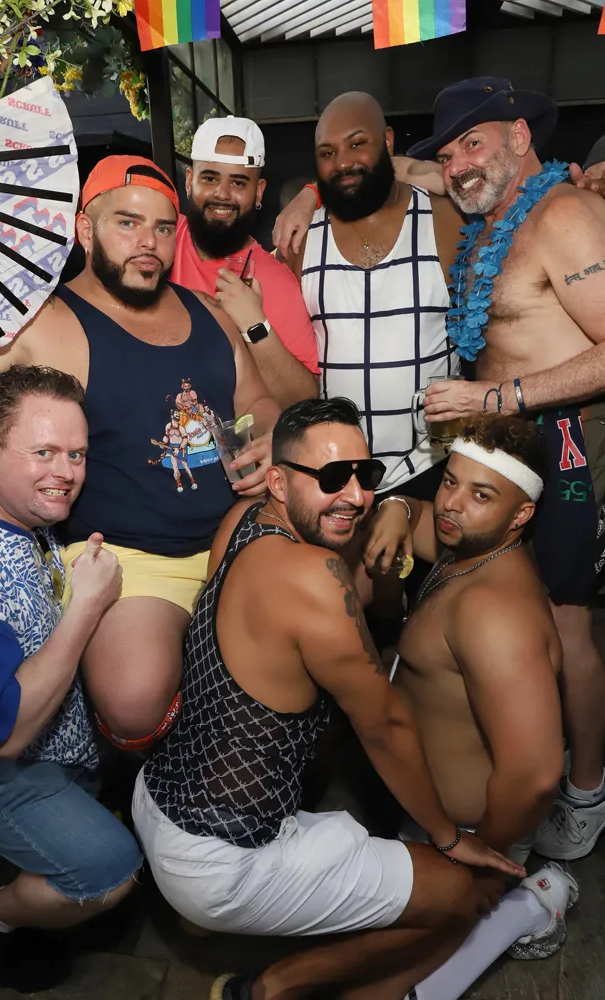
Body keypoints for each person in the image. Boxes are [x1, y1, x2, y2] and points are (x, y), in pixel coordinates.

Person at [132, 396, 580, 1000]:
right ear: (278, 482)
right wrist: (450, 840)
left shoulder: (242, 520)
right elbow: (384, 725)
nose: (355, 496)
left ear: (520, 513)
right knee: (462, 896)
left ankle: (218, 930)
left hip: (158, 798)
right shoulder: (316, 575)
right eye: (331, 478)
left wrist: (395, 508)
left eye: (366, 476)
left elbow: (534, 772)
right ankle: (266, 984)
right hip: (220, 856)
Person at [0, 157, 280, 752]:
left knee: (335, 603)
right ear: (85, 231)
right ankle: (144, 773)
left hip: (236, 530)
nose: (148, 243)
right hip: (130, 556)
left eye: (163, 227)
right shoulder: (48, 324)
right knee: (132, 697)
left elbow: (257, 401)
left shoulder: (211, 314)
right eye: (127, 223)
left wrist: (268, 433)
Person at [407, 76, 605, 862]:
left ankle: (584, 793)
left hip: (564, 440)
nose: (456, 164)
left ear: (520, 137)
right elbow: (403, 171)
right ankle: (522, 768)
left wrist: (495, 395)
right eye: (446, 153)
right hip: (499, 444)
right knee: (506, 613)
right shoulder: (484, 219)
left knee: (563, 620)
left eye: (472, 143)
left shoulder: (563, 216)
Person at [0, 366, 142, 993]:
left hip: (56, 733)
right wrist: (87, 606)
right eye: (44, 452)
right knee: (109, 870)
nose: (66, 472)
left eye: (76, 454)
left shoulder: (14, 511)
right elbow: (2, 736)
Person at [364, 415, 564, 872]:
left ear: (521, 515)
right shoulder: (469, 547)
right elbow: (417, 514)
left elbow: (535, 776)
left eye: (481, 495)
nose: (450, 504)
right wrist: (396, 506)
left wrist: (480, 863)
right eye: (450, 481)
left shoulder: (494, 613)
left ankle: (535, 898)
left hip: (462, 836)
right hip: (423, 815)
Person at [272, 91, 464, 500]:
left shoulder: (446, 219)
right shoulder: (300, 239)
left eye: (357, 143)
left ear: (388, 141)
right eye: (327, 153)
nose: (343, 162)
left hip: (432, 465)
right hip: (333, 475)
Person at [171, 115, 320, 407]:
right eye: (210, 178)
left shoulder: (274, 280)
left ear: (259, 192)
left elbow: (304, 398)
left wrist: (254, 325)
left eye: (238, 182)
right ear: (189, 181)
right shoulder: (160, 237)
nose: (222, 194)